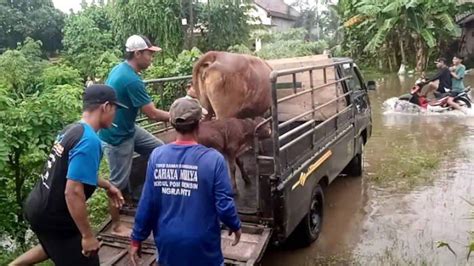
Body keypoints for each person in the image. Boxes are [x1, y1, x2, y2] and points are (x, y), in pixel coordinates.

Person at [10, 85, 127, 266]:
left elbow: (73, 172)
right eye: (115, 109)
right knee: (86, 258)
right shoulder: (89, 141)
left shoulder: (72, 130)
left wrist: (107, 185)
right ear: (106, 107)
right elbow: (72, 191)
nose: (115, 114)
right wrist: (87, 236)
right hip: (54, 214)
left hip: (37, 206)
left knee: (55, 245)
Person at [129, 97, 242, 266]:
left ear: (173, 123)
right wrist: (234, 225)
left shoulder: (157, 156)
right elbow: (224, 203)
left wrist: (137, 238)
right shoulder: (213, 159)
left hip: (167, 242)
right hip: (203, 243)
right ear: (199, 123)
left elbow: (148, 202)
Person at [99, 35, 170, 236]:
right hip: (117, 136)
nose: (151, 59)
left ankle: (144, 193)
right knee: (116, 183)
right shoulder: (130, 80)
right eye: (149, 54)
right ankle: (117, 225)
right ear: (137, 53)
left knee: (160, 150)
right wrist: (180, 116)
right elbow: (153, 114)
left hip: (128, 127)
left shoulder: (121, 69)